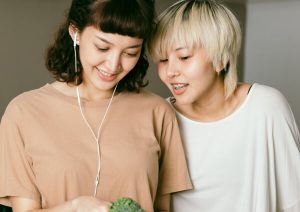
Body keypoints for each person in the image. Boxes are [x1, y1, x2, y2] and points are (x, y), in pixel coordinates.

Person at [0, 0, 193, 211]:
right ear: (75, 32)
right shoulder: (23, 112)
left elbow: (163, 208)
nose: (113, 65)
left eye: (130, 53)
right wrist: (74, 207)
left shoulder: (158, 112)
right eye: (102, 47)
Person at [148, 0, 300, 211]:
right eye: (163, 60)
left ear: (221, 59)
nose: (170, 71)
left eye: (184, 57)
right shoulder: (159, 118)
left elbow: (294, 201)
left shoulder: (266, 107)